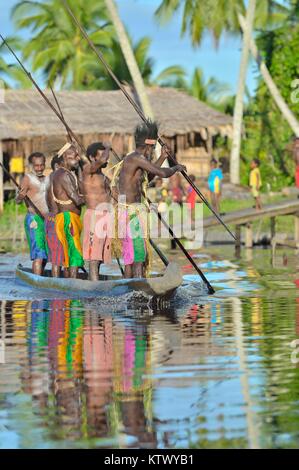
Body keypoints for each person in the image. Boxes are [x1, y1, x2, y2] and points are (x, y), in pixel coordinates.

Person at [117, 119, 186, 279]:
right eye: (153, 149)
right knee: (138, 255)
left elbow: (150, 174)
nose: (152, 152)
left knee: (131, 257)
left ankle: (129, 288)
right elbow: (161, 173)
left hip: (128, 211)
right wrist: (176, 168)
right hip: (131, 213)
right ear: (148, 146)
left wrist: (162, 157)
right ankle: (140, 289)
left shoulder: (136, 159)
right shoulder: (136, 157)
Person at [52, 143, 85, 279]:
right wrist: (97, 198)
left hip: (70, 218)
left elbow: (81, 191)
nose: (78, 158)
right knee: (74, 253)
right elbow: (77, 199)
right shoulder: (62, 175)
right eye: (75, 156)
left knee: (69, 253)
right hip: (68, 219)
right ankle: (73, 283)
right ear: (65, 157)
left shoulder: (68, 173)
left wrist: (80, 170)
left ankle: (69, 283)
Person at [82, 142, 112, 281]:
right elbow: (102, 160)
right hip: (94, 216)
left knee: (100, 254)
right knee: (93, 256)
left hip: (106, 216)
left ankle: (94, 280)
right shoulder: (88, 170)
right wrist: (108, 147)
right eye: (101, 155)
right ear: (92, 158)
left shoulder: (104, 177)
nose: (106, 158)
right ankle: (94, 285)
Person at [16, 152, 48, 275]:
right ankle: (37, 281)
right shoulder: (27, 179)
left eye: (41, 165)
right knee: (39, 254)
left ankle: (41, 277)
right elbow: (18, 201)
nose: (39, 168)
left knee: (46, 255)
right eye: (36, 166)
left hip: (46, 219)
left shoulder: (47, 179)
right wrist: (20, 196)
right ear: (31, 165)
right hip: (34, 219)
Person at [45, 155, 66, 278]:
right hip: (55, 219)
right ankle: (56, 282)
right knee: (57, 257)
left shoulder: (57, 178)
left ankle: (63, 281)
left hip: (59, 219)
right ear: (57, 166)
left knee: (62, 256)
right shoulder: (54, 177)